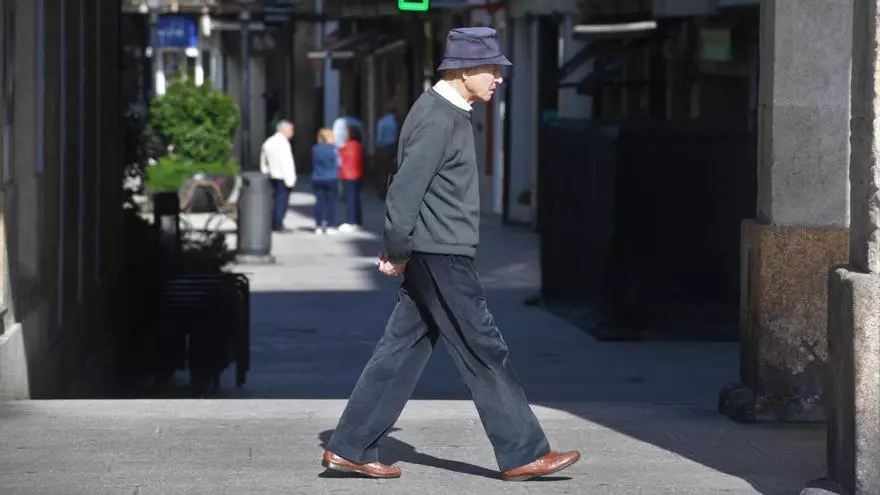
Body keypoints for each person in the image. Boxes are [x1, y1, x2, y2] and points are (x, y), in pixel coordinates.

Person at [321, 27, 580, 482]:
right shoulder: (438, 117)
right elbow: (403, 189)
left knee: (400, 351)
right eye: (492, 68)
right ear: (463, 71)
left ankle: (350, 446)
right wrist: (395, 249)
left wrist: (401, 248)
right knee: (486, 350)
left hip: (435, 251)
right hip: (441, 254)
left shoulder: (446, 112)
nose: (499, 77)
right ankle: (523, 452)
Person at [259, 120, 296, 233]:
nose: (292, 133)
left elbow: (263, 160)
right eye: (291, 130)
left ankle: (274, 223)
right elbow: (286, 162)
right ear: (284, 130)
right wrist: (290, 179)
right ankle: (278, 224)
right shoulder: (283, 143)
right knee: (281, 202)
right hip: (283, 176)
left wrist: (265, 172)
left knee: (274, 200)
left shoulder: (269, 142)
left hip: (272, 175)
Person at [311, 128, 339, 235]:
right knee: (330, 203)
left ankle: (318, 226)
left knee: (319, 202)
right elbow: (337, 163)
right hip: (331, 177)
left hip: (317, 178)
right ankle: (330, 225)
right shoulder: (333, 149)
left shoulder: (315, 149)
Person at [338, 125, 364, 232]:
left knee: (350, 199)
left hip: (348, 175)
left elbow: (339, 156)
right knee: (356, 199)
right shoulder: (359, 146)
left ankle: (351, 221)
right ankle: (358, 221)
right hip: (358, 175)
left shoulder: (348, 146)